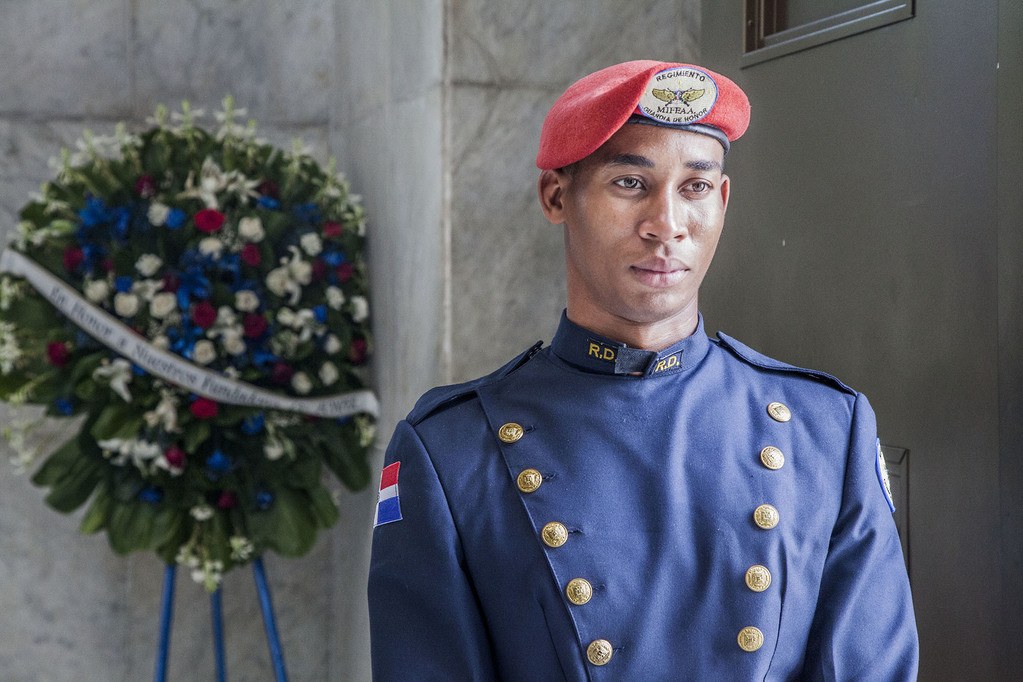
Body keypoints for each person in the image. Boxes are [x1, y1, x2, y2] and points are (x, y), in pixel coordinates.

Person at [368, 60, 918, 680]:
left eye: (695, 187)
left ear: (723, 199)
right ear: (556, 196)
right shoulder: (448, 450)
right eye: (630, 183)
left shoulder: (826, 428)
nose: (667, 226)